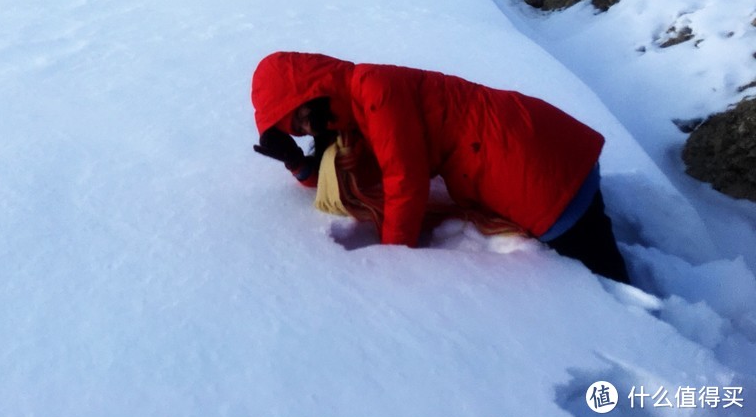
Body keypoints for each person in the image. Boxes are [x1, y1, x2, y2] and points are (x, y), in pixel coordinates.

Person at [251, 51, 630, 283]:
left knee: (604, 275)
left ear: (310, 91)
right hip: (538, 150)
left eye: (299, 120)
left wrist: (393, 261)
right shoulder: (352, 117)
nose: (305, 131)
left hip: (535, 167)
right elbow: (340, 179)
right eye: (295, 131)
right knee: (596, 250)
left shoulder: (373, 89)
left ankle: (658, 347)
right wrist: (297, 162)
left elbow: (405, 179)